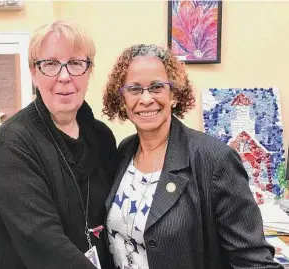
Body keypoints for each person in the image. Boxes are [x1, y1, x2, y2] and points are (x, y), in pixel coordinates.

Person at [102, 44, 283, 269]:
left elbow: (253, 261)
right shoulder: (124, 151)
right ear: (122, 99)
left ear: (174, 95)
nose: (146, 99)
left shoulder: (215, 160)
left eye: (157, 87)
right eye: (135, 89)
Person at [0, 20, 119, 269]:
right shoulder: (14, 143)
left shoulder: (103, 138)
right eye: (51, 64)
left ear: (89, 71)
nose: (64, 77)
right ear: (34, 72)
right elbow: (43, 242)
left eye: (76, 63)